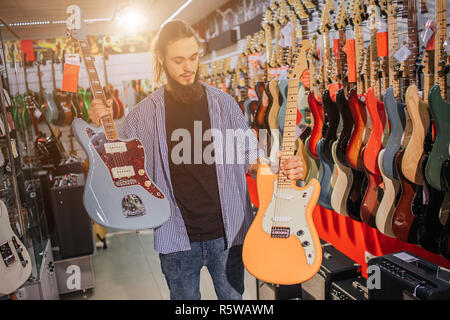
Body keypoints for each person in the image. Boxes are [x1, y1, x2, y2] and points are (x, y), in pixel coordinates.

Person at [88, 20, 304, 300]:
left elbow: (252, 157)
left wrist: (280, 168)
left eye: (193, 57)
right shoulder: (143, 114)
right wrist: (99, 125)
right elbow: (116, 161)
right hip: (176, 238)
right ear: (161, 59)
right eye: (178, 60)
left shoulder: (224, 104)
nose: (188, 67)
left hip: (228, 234)